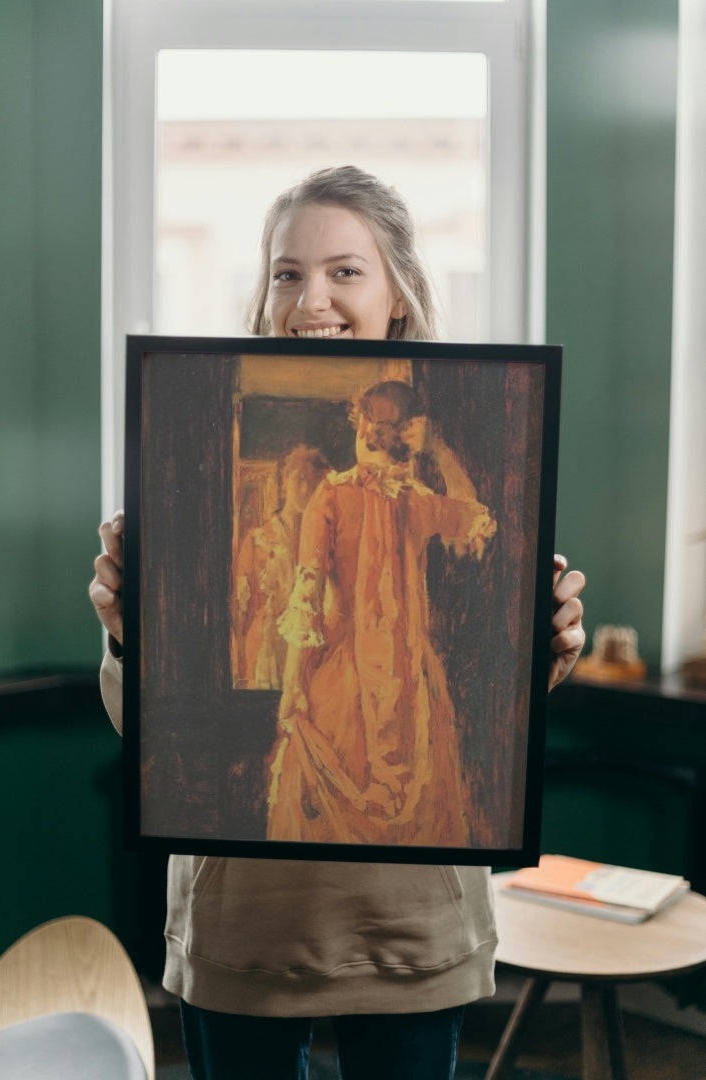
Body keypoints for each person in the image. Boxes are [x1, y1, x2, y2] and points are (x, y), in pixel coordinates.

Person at [90, 165, 586, 1080]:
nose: (309, 297)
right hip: (248, 920)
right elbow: (150, 716)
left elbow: (479, 543)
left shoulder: (428, 488)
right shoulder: (301, 484)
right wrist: (131, 636)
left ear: (397, 292)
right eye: (286, 272)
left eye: (344, 271)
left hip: (408, 919)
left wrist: (543, 646)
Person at [267, 379, 496, 848]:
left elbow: (305, 599)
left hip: (342, 681)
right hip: (411, 678)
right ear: (410, 435)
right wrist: (440, 449)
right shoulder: (419, 500)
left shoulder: (331, 497)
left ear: (364, 426)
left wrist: (292, 686)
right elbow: (472, 514)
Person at [235, 444, 330, 690]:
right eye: (298, 480)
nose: (305, 490)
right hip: (266, 647)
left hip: (305, 650)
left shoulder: (324, 544)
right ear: (284, 482)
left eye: (313, 483)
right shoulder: (257, 539)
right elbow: (241, 612)